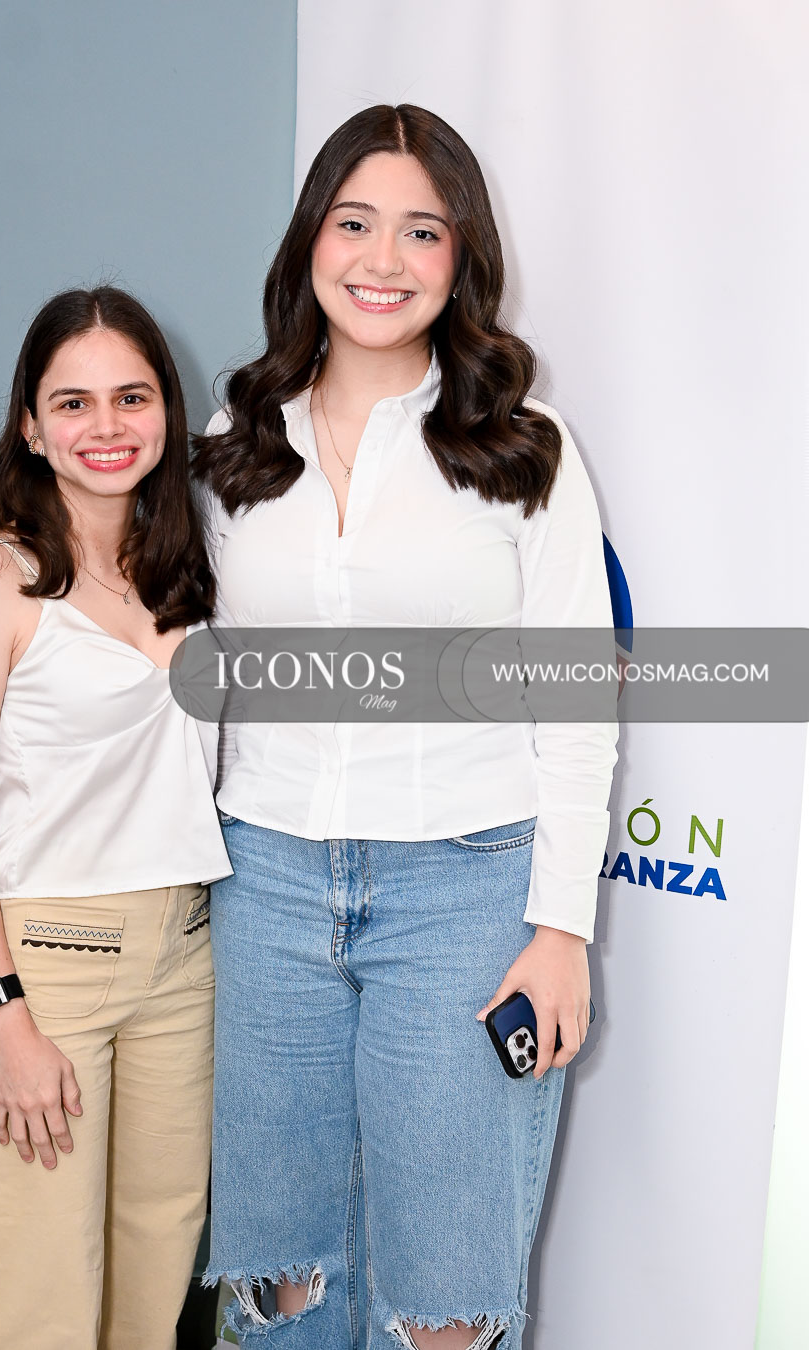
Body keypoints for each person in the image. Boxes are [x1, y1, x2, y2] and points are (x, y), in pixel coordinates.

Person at [193, 106, 618, 1350]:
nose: (384, 260)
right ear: (310, 241)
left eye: (422, 232)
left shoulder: (526, 450)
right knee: (281, 1281)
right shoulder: (232, 443)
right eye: (355, 223)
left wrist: (561, 931)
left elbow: (577, 698)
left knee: (444, 1297)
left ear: (462, 254)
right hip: (266, 884)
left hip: (465, 893)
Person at [0, 286, 231, 1350]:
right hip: (45, 968)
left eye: (132, 397)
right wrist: (4, 1019)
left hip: (184, 955)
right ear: (30, 425)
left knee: (155, 1268)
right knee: (47, 1290)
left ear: (166, 411)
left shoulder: (191, 561)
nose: (107, 425)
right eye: (74, 402)